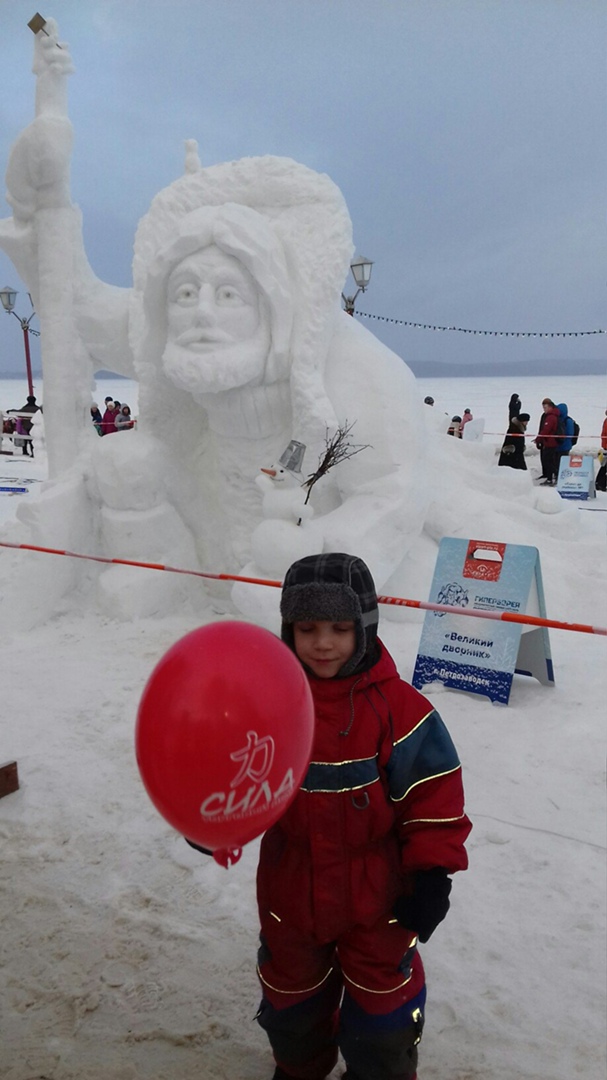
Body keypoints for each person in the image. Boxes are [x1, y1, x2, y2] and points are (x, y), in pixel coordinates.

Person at [252, 552, 471, 1080]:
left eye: (339, 628)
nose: (322, 642)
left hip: (380, 896)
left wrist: (430, 874)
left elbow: (433, 796)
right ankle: (298, 1067)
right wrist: (213, 823)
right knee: (290, 998)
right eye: (306, 628)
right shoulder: (269, 703)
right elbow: (242, 781)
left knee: (383, 1010)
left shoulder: (400, 710)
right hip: (290, 888)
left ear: (365, 628)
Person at [534, 398, 560, 485]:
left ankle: (556, 475)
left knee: (547, 461)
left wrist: (538, 438)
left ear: (550, 407)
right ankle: (550, 478)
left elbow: (546, 430)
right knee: (548, 461)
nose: (544, 409)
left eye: (545, 407)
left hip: (550, 443)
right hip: (549, 442)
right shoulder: (550, 416)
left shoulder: (551, 417)